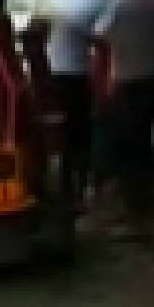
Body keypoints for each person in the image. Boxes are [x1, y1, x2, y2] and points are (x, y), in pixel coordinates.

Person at [94, 0, 154, 217]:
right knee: (146, 138)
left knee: (126, 140)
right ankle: (149, 195)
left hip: (123, 80)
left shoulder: (118, 2)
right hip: (150, 79)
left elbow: (100, 34)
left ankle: (134, 202)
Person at [47, 17, 98, 206]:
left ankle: (68, 185)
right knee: (81, 133)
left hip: (59, 76)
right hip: (74, 78)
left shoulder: (61, 19)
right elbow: (99, 39)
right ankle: (81, 182)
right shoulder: (77, 18)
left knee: (69, 134)